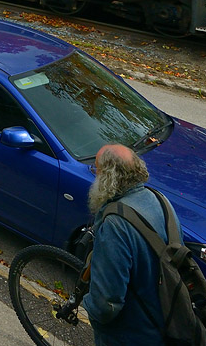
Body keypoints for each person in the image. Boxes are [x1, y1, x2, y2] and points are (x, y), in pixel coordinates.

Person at [81, 144, 167, 346]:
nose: (95, 176)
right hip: (166, 316)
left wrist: (90, 308)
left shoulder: (115, 225)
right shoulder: (160, 201)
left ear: (108, 177)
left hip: (133, 333)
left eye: (97, 170)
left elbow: (106, 304)